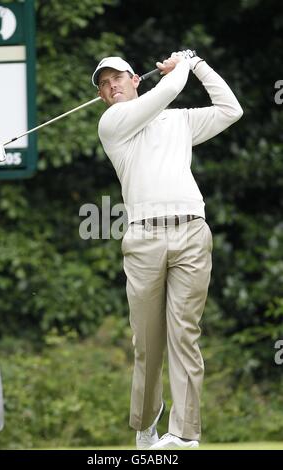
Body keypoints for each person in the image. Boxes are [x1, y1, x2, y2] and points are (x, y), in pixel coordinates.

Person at [91, 51, 243, 450]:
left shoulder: (178, 121)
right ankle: (146, 425)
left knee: (185, 336)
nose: (111, 87)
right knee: (148, 342)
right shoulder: (112, 124)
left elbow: (231, 109)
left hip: (192, 232)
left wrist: (201, 64)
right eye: (104, 84)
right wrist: (184, 64)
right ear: (104, 97)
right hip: (143, 240)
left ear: (135, 79)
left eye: (118, 78)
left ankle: (184, 434)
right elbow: (169, 90)